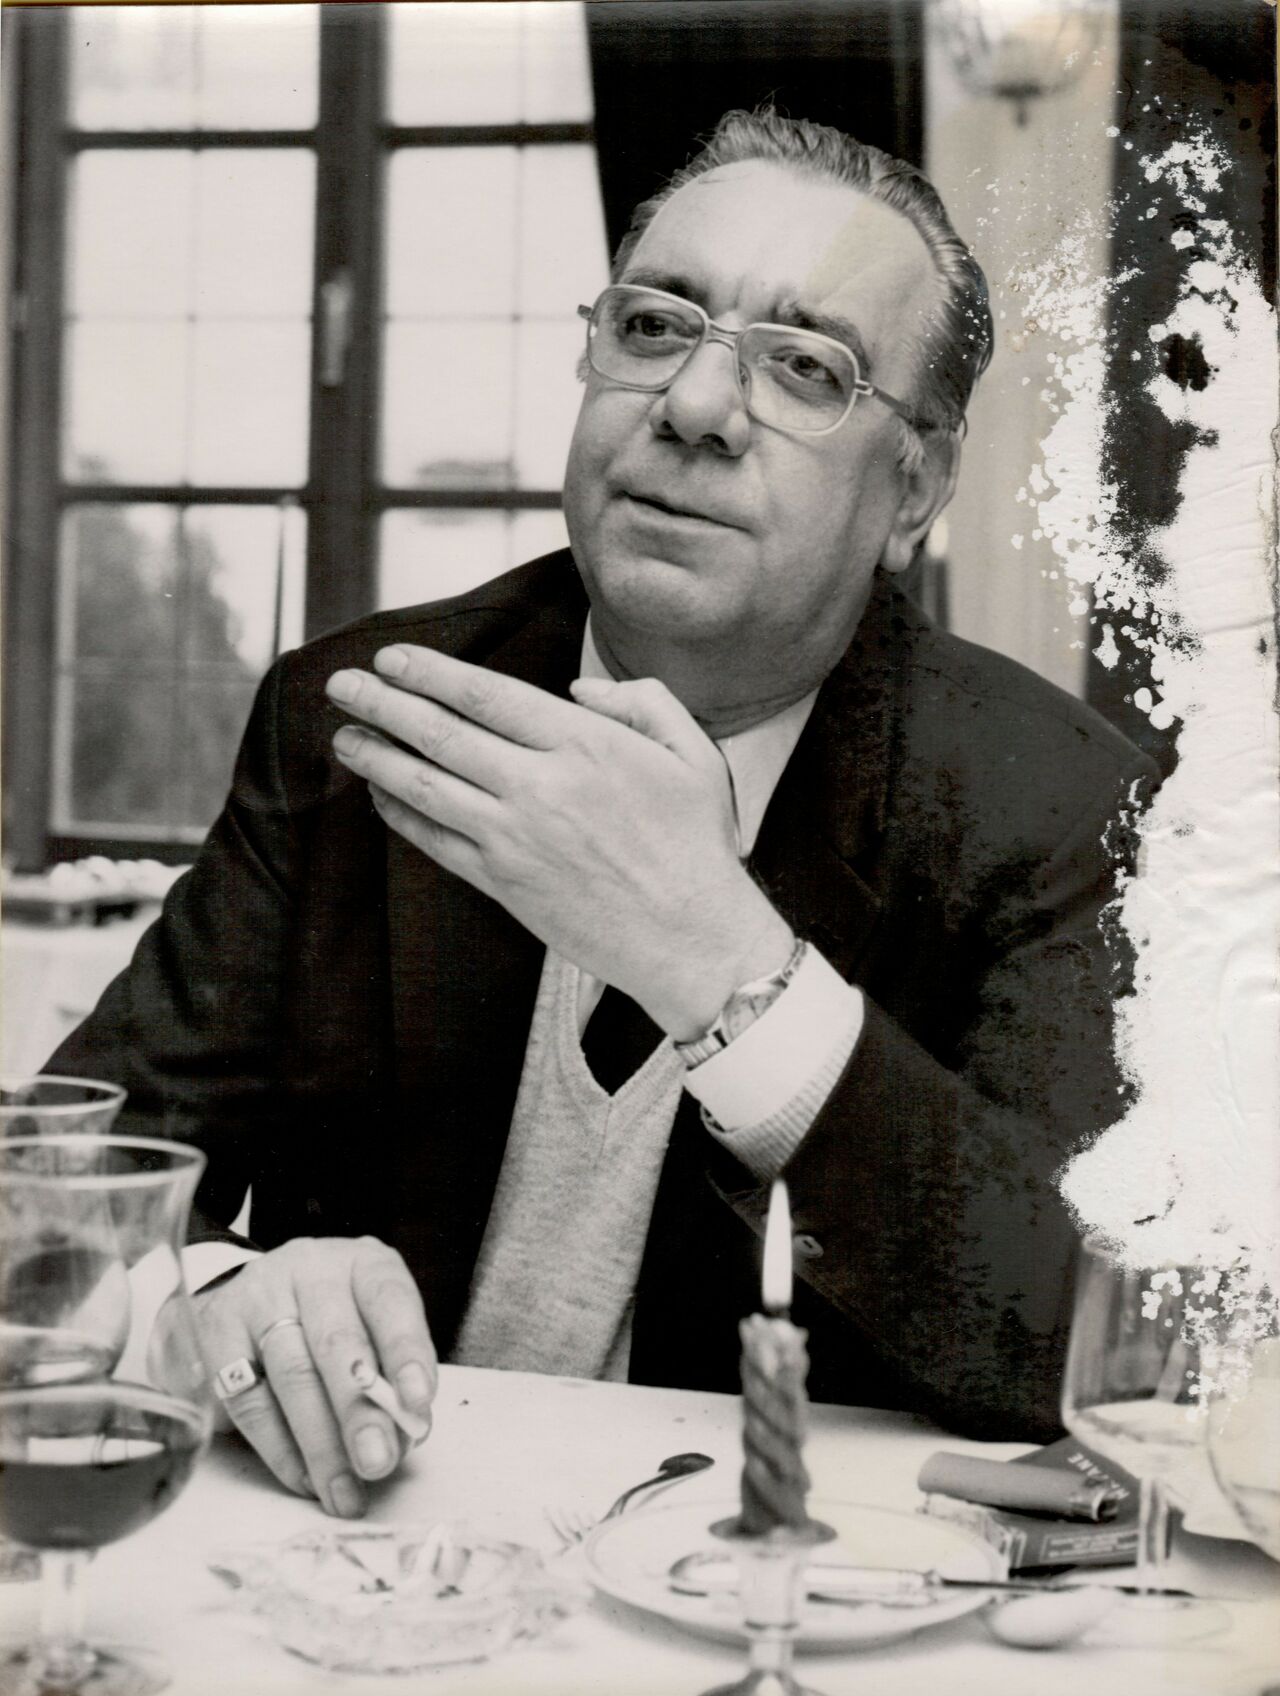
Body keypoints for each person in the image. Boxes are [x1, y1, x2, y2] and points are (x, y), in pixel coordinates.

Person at [50, 109, 1156, 1520]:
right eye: (652, 327)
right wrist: (214, 1291)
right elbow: (71, 1183)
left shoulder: (1058, 807)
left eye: (805, 368)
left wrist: (725, 970)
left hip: (790, 1612)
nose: (693, 406)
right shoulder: (363, 713)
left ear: (916, 487)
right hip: (369, 1564)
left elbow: (1088, 1344)